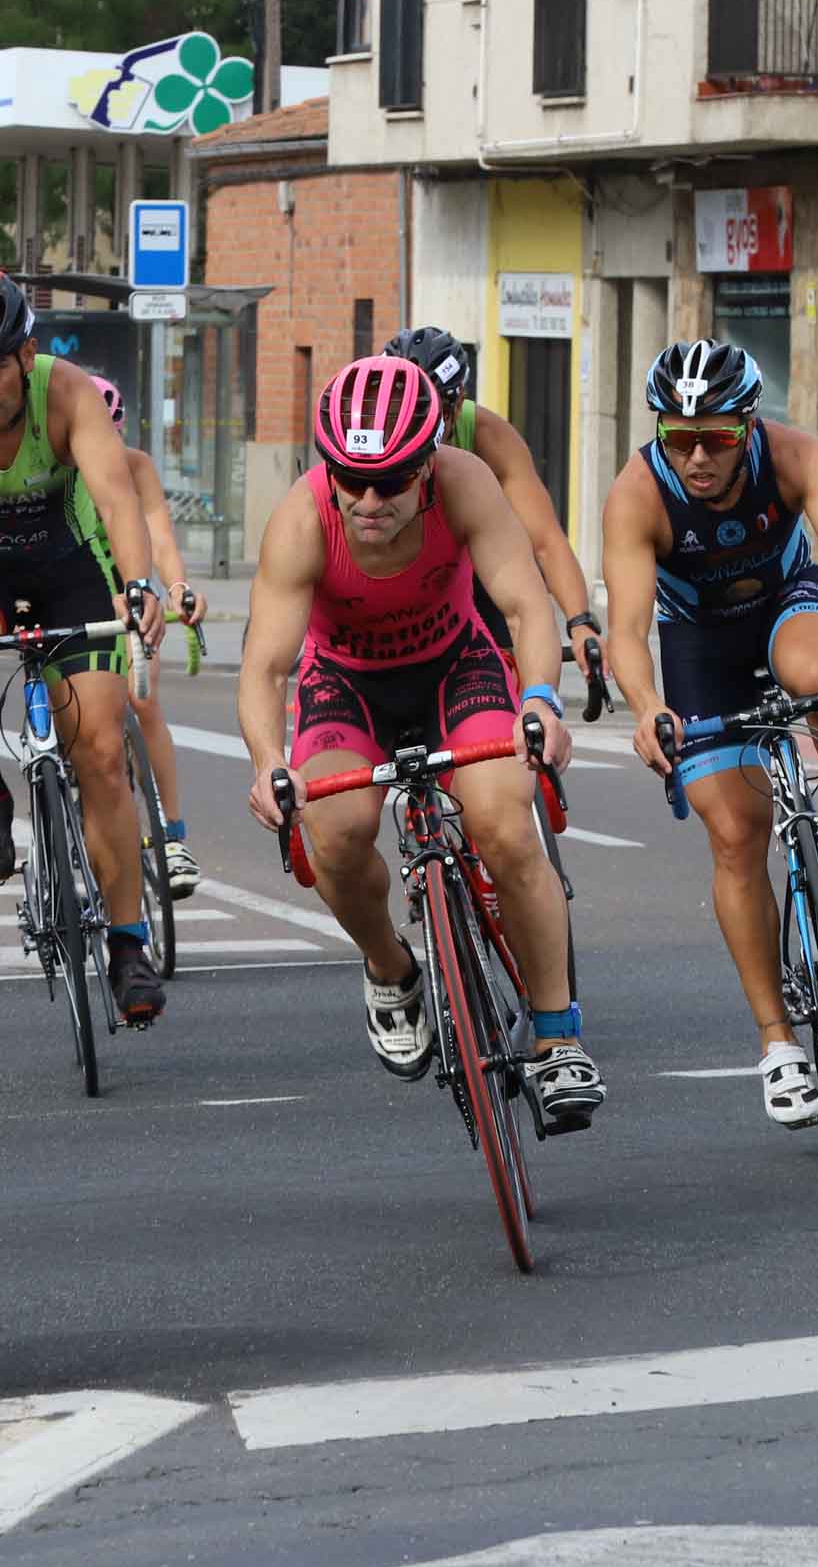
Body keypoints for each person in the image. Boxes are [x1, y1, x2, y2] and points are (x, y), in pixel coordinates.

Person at [239, 354, 603, 1128]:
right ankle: (389, 965)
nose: (369, 501)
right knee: (336, 835)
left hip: (455, 666)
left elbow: (524, 607)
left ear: (428, 465)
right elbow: (266, 667)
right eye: (352, 479)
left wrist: (541, 701)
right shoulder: (302, 519)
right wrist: (269, 763)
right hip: (346, 684)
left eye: (392, 482)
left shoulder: (467, 482)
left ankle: (557, 1036)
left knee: (506, 828)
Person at [602, 339, 818, 1130]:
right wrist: (647, 705)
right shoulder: (638, 495)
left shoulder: (796, 456)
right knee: (736, 836)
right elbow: (628, 629)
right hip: (699, 642)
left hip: (787, 600)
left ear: (749, 424)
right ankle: (778, 1043)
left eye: (715, 437)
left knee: (817, 674)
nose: (697, 456)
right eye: (679, 437)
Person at [0, 268, 171, 1023]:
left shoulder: (69, 393)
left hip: (66, 566)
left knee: (102, 752)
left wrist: (138, 587)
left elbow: (117, 501)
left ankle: (127, 943)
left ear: (26, 354)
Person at [382, 325, 609, 713]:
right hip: (395, 567)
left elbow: (544, 541)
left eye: (432, 413)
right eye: (402, 411)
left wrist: (580, 622)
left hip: (470, 568)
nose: (417, 427)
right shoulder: (362, 433)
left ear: (457, 403)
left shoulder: (487, 435)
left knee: (511, 688)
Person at [90, 369, 203, 899]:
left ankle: (172, 836)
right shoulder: (57, 472)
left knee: (143, 697)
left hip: (131, 594)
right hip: (77, 593)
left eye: (112, 439)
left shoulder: (137, 467)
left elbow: (160, 538)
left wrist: (178, 587)